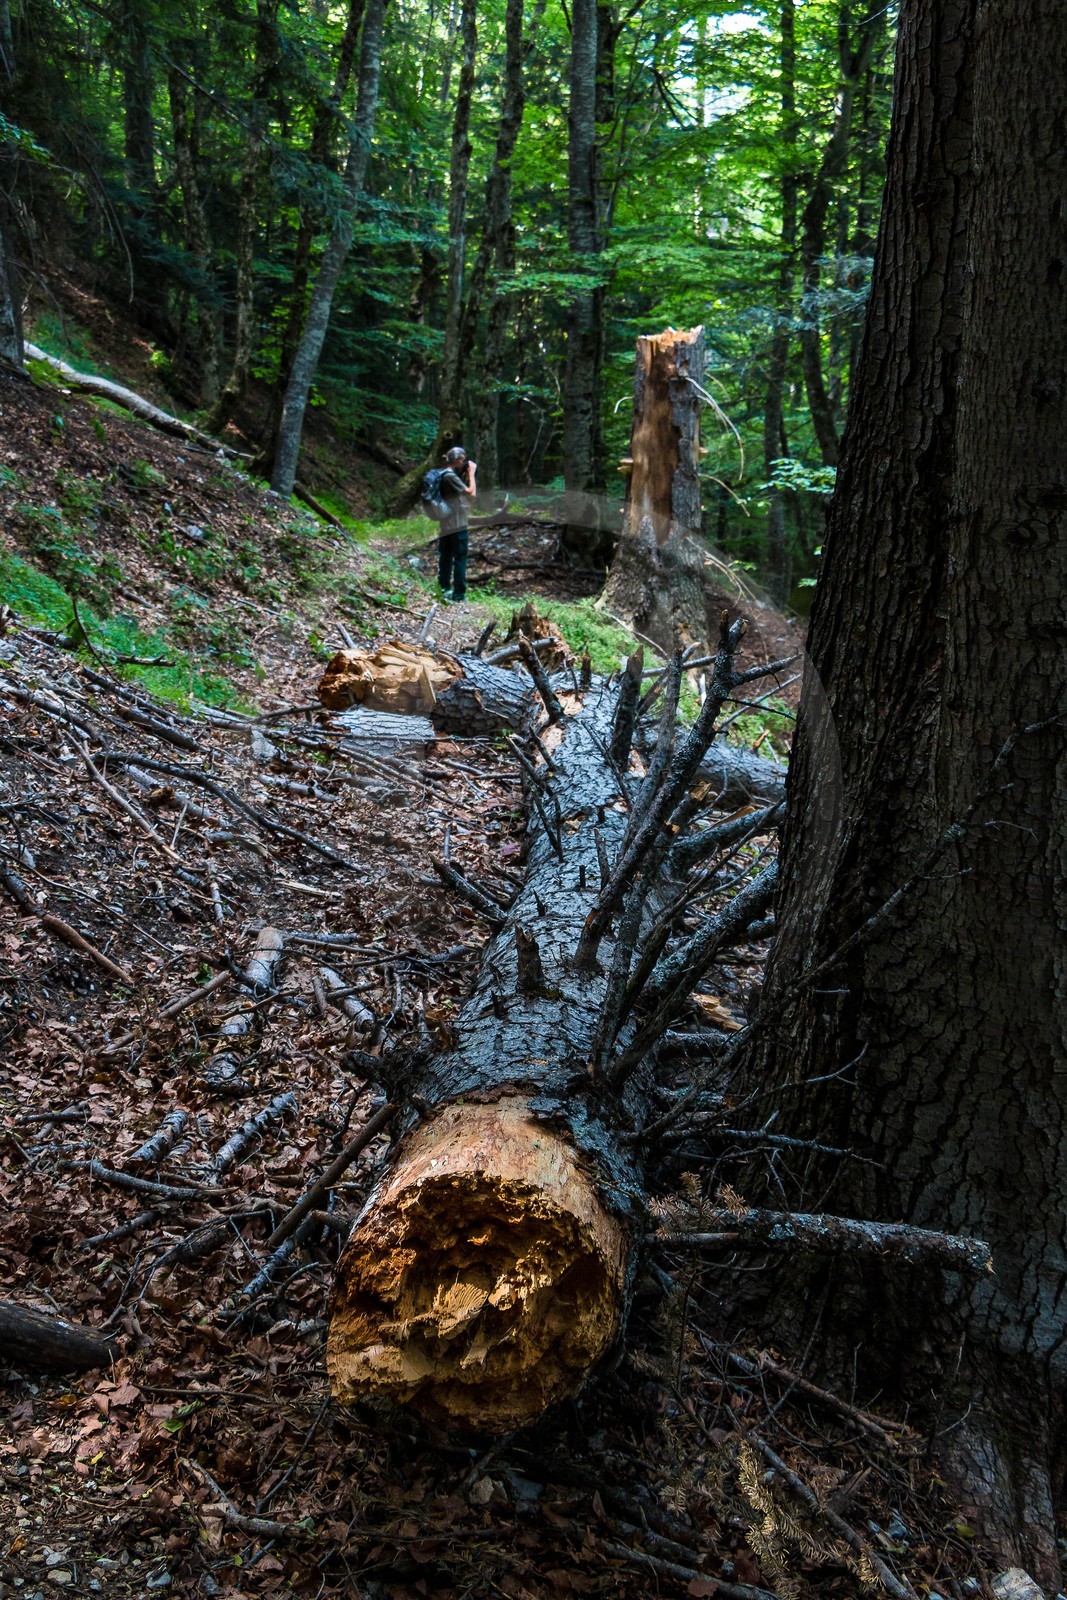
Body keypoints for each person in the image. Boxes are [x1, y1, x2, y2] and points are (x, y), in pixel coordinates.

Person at [436, 445, 476, 602]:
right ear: (458, 459)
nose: (465, 463)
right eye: (463, 460)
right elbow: (472, 493)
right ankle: (459, 594)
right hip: (457, 524)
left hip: (445, 522)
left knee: (445, 556)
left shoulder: (442, 474)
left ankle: (444, 587)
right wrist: (471, 473)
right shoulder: (450, 477)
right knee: (460, 557)